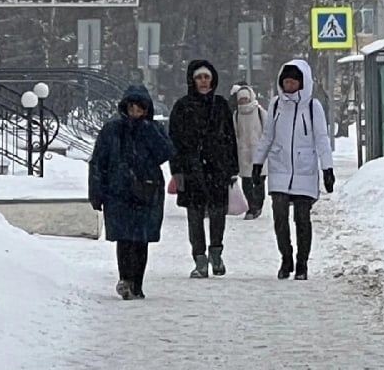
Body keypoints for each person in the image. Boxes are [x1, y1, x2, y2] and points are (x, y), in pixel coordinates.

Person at [87, 85, 176, 299]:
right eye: (132, 106)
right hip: (118, 192)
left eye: (140, 107)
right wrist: (96, 192)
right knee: (124, 239)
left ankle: (137, 283)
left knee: (141, 240)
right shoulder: (112, 130)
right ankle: (125, 279)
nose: (135, 111)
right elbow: (98, 161)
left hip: (146, 191)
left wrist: (149, 130)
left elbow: (167, 152)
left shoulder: (153, 130)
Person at [252, 59, 334, 279]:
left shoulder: (312, 107)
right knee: (279, 216)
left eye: (293, 82)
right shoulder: (276, 105)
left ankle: (302, 263)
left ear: (302, 83)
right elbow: (267, 136)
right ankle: (285, 258)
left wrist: (327, 168)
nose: (289, 86)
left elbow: (322, 138)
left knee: (302, 218)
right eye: (286, 82)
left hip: (304, 169)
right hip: (280, 167)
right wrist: (258, 164)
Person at [168, 60, 239, 278]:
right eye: (199, 77)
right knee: (195, 216)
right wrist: (177, 169)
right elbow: (174, 141)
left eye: (206, 77)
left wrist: (232, 167)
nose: (203, 82)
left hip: (218, 168)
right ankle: (199, 259)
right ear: (192, 80)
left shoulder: (220, 105)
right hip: (191, 170)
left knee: (218, 214)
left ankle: (216, 254)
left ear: (213, 79)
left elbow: (230, 137)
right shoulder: (182, 106)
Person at [230, 81, 269, 219]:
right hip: (243, 154)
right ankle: (251, 207)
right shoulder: (236, 115)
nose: (243, 101)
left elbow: (268, 132)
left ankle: (258, 206)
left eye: (245, 98)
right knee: (247, 183)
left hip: (259, 154)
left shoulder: (260, 112)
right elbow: (235, 134)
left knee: (259, 183)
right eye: (241, 99)